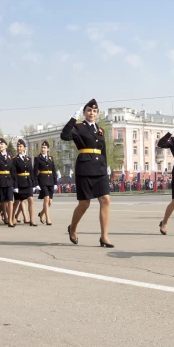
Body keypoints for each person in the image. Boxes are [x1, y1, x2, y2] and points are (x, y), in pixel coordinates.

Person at [61, 99, 114, 247]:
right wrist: (73, 118)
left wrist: (106, 167)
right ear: (84, 113)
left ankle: (104, 236)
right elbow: (64, 136)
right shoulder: (78, 127)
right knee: (84, 203)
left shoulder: (100, 130)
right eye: (89, 110)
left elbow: (103, 151)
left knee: (106, 200)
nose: (92, 113)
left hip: (100, 169)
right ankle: (72, 228)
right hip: (85, 168)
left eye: (95, 111)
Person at [11, 139, 37, 226]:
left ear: (25, 148)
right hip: (19, 183)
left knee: (31, 200)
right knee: (17, 201)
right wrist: (15, 186)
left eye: (20, 146)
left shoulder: (28, 158)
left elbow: (31, 171)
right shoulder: (14, 159)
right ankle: (12, 217)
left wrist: (33, 183)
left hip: (28, 182)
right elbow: (13, 173)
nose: (19, 148)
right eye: (18, 146)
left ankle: (32, 220)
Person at [0, 138, 15, 227]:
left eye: (2, 144)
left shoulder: (10, 156)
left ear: (6, 146)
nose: (0, 146)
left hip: (9, 181)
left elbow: (12, 171)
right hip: (0, 181)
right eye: (0, 144)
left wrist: (14, 183)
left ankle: (10, 220)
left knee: (10, 201)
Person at [33, 140, 58, 225]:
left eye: (45, 148)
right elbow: (35, 171)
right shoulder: (38, 158)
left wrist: (55, 182)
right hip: (42, 181)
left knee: (50, 202)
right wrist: (36, 184)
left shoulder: (51, 158)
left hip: (50, 181)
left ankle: (41, 214)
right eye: (42, 147)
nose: (43, 149)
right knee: (46, 199)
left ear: (48, 149)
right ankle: (48, 219)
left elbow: (54, 171)